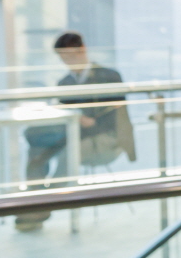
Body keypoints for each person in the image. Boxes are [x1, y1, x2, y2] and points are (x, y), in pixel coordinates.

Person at [14, 32, 136, 231]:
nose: (67, 62)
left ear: (82, 50)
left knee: (68, 155)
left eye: (70, 56)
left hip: (105, 138)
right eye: (63, 58)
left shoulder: (109, 76)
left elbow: (118, 115)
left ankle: (44, 205)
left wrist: (88, 121)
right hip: (73, 135)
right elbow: (63, 115)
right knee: (36, 151)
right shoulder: (65, 83)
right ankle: (33, 202)